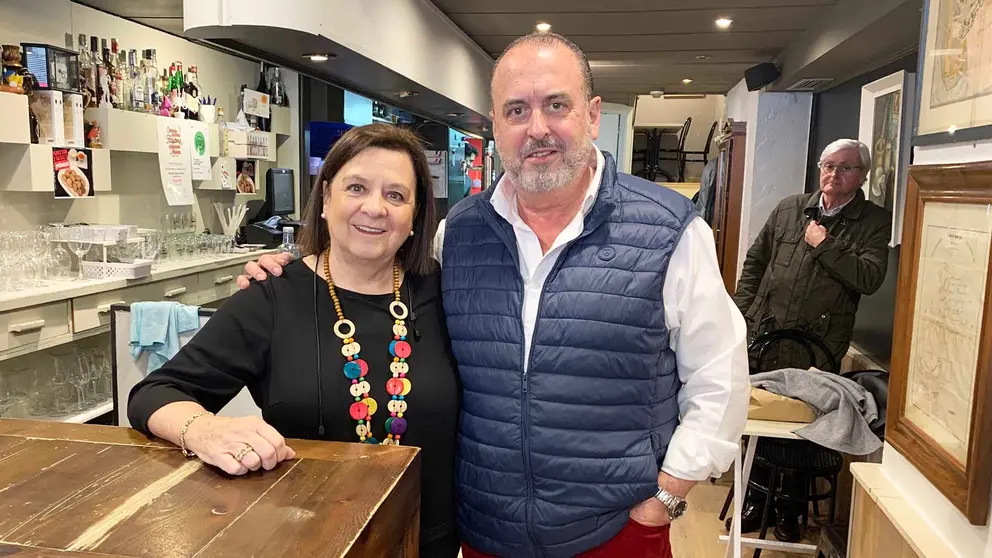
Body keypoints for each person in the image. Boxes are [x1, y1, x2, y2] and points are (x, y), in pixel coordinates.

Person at [242, 32, 749, 558]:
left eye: (556, 105)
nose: (537, 128)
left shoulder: (668, 231)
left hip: (615, 531)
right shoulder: (457, 233)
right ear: (495, 127)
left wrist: (666, 496)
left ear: (593, 115)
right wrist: (295, 273)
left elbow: (720, 378)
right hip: (486, 533)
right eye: (516, 110)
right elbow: (372, 285)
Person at [127, 124, 461, 557]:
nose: (374, 208)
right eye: (356, 187)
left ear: (415, 217)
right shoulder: (273, 295)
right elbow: (153, 392)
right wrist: (205, 429)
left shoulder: (446, 291)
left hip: (424, 541)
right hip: (308, 540)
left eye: (396, 195)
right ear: (325, 200)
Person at [730, 138, 891, 541]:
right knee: (758, 419)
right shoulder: (789, 208)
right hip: (766, 335)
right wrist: (741, 315)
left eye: (846, 168)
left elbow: (869, 279)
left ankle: (789, 510)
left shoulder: (873, 221)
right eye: (828, 165)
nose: (834, 174)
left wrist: (825, 246)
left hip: (818, 345)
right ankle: (754, 500)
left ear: (863, 176)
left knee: (803, 430)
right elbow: (755, 262)